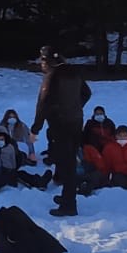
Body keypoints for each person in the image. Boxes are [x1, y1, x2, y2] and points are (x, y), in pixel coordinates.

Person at [31, 47, 90, 217]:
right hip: (76, 122)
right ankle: (67, 196)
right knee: (68, 161)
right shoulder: (74, 71)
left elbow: (43, 104)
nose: (41, 64)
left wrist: (35, 129)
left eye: (42, 60)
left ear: (48, 61)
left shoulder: (52, 75)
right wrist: (75, 107)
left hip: (60, 125)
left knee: (67, 164)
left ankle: (69, 204)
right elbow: (87, 93)